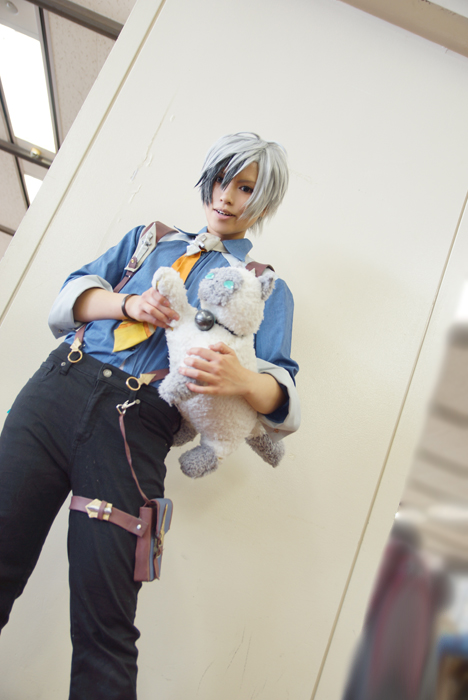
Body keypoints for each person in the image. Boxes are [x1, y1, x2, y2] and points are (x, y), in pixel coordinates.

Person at [0, 132, 300, 699]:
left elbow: (283, 396)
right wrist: (129, 303)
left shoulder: (265, 286)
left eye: (245, 188)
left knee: (105, 619)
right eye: (222, 179)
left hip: (134, 425)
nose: (227, 196)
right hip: (56, 389)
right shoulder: (149, 240)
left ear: (264, 204)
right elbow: (71, 298)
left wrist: (241, 380)